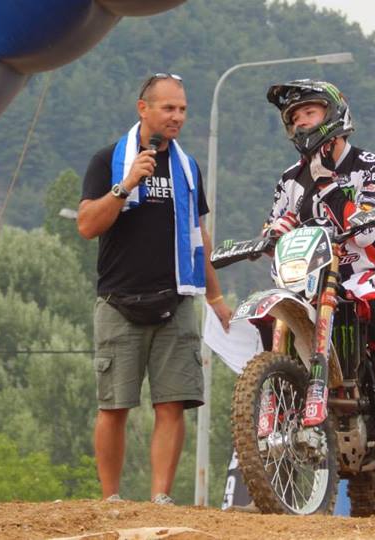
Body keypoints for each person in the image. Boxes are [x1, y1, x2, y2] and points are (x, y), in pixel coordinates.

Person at [78, 73, 232, 504]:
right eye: (168, 108)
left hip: (176, 299)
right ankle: (111, 499)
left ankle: (160, 497)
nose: (177, 117)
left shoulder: (187, 167)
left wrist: (216, 298)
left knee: (173, 404)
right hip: (119, 301)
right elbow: (87, 225)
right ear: (143, 109)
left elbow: (199, 234)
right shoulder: (108, 159)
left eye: (182, 109)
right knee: (114, 406)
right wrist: (125, 184)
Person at [262, 79, 375, 461]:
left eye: (309, 112)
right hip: (307, 280)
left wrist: (329, 186)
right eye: (294, 118)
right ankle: (278, 412)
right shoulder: (290, 180)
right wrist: (272, 233)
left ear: (333, 114)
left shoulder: (372, 167)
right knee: (269, 316)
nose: (301, 122)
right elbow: (278, 222)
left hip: (361, 275)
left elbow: (366, 234)